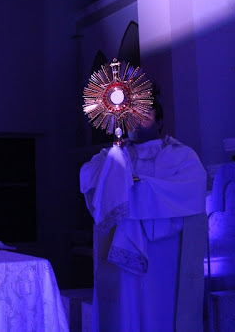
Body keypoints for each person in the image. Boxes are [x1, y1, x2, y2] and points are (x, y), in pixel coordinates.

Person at [80, 90, 207, 331]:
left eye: (144, 114)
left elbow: (191, 190)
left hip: (164, 253)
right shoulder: (111, 155)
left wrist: (135, 188)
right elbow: (88, 177)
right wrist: (116, 168)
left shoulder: (181, 156)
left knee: (160, 312)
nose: (136, 119)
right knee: (124, 311)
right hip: (118, 255)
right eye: (131, 114)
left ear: (160, 121)